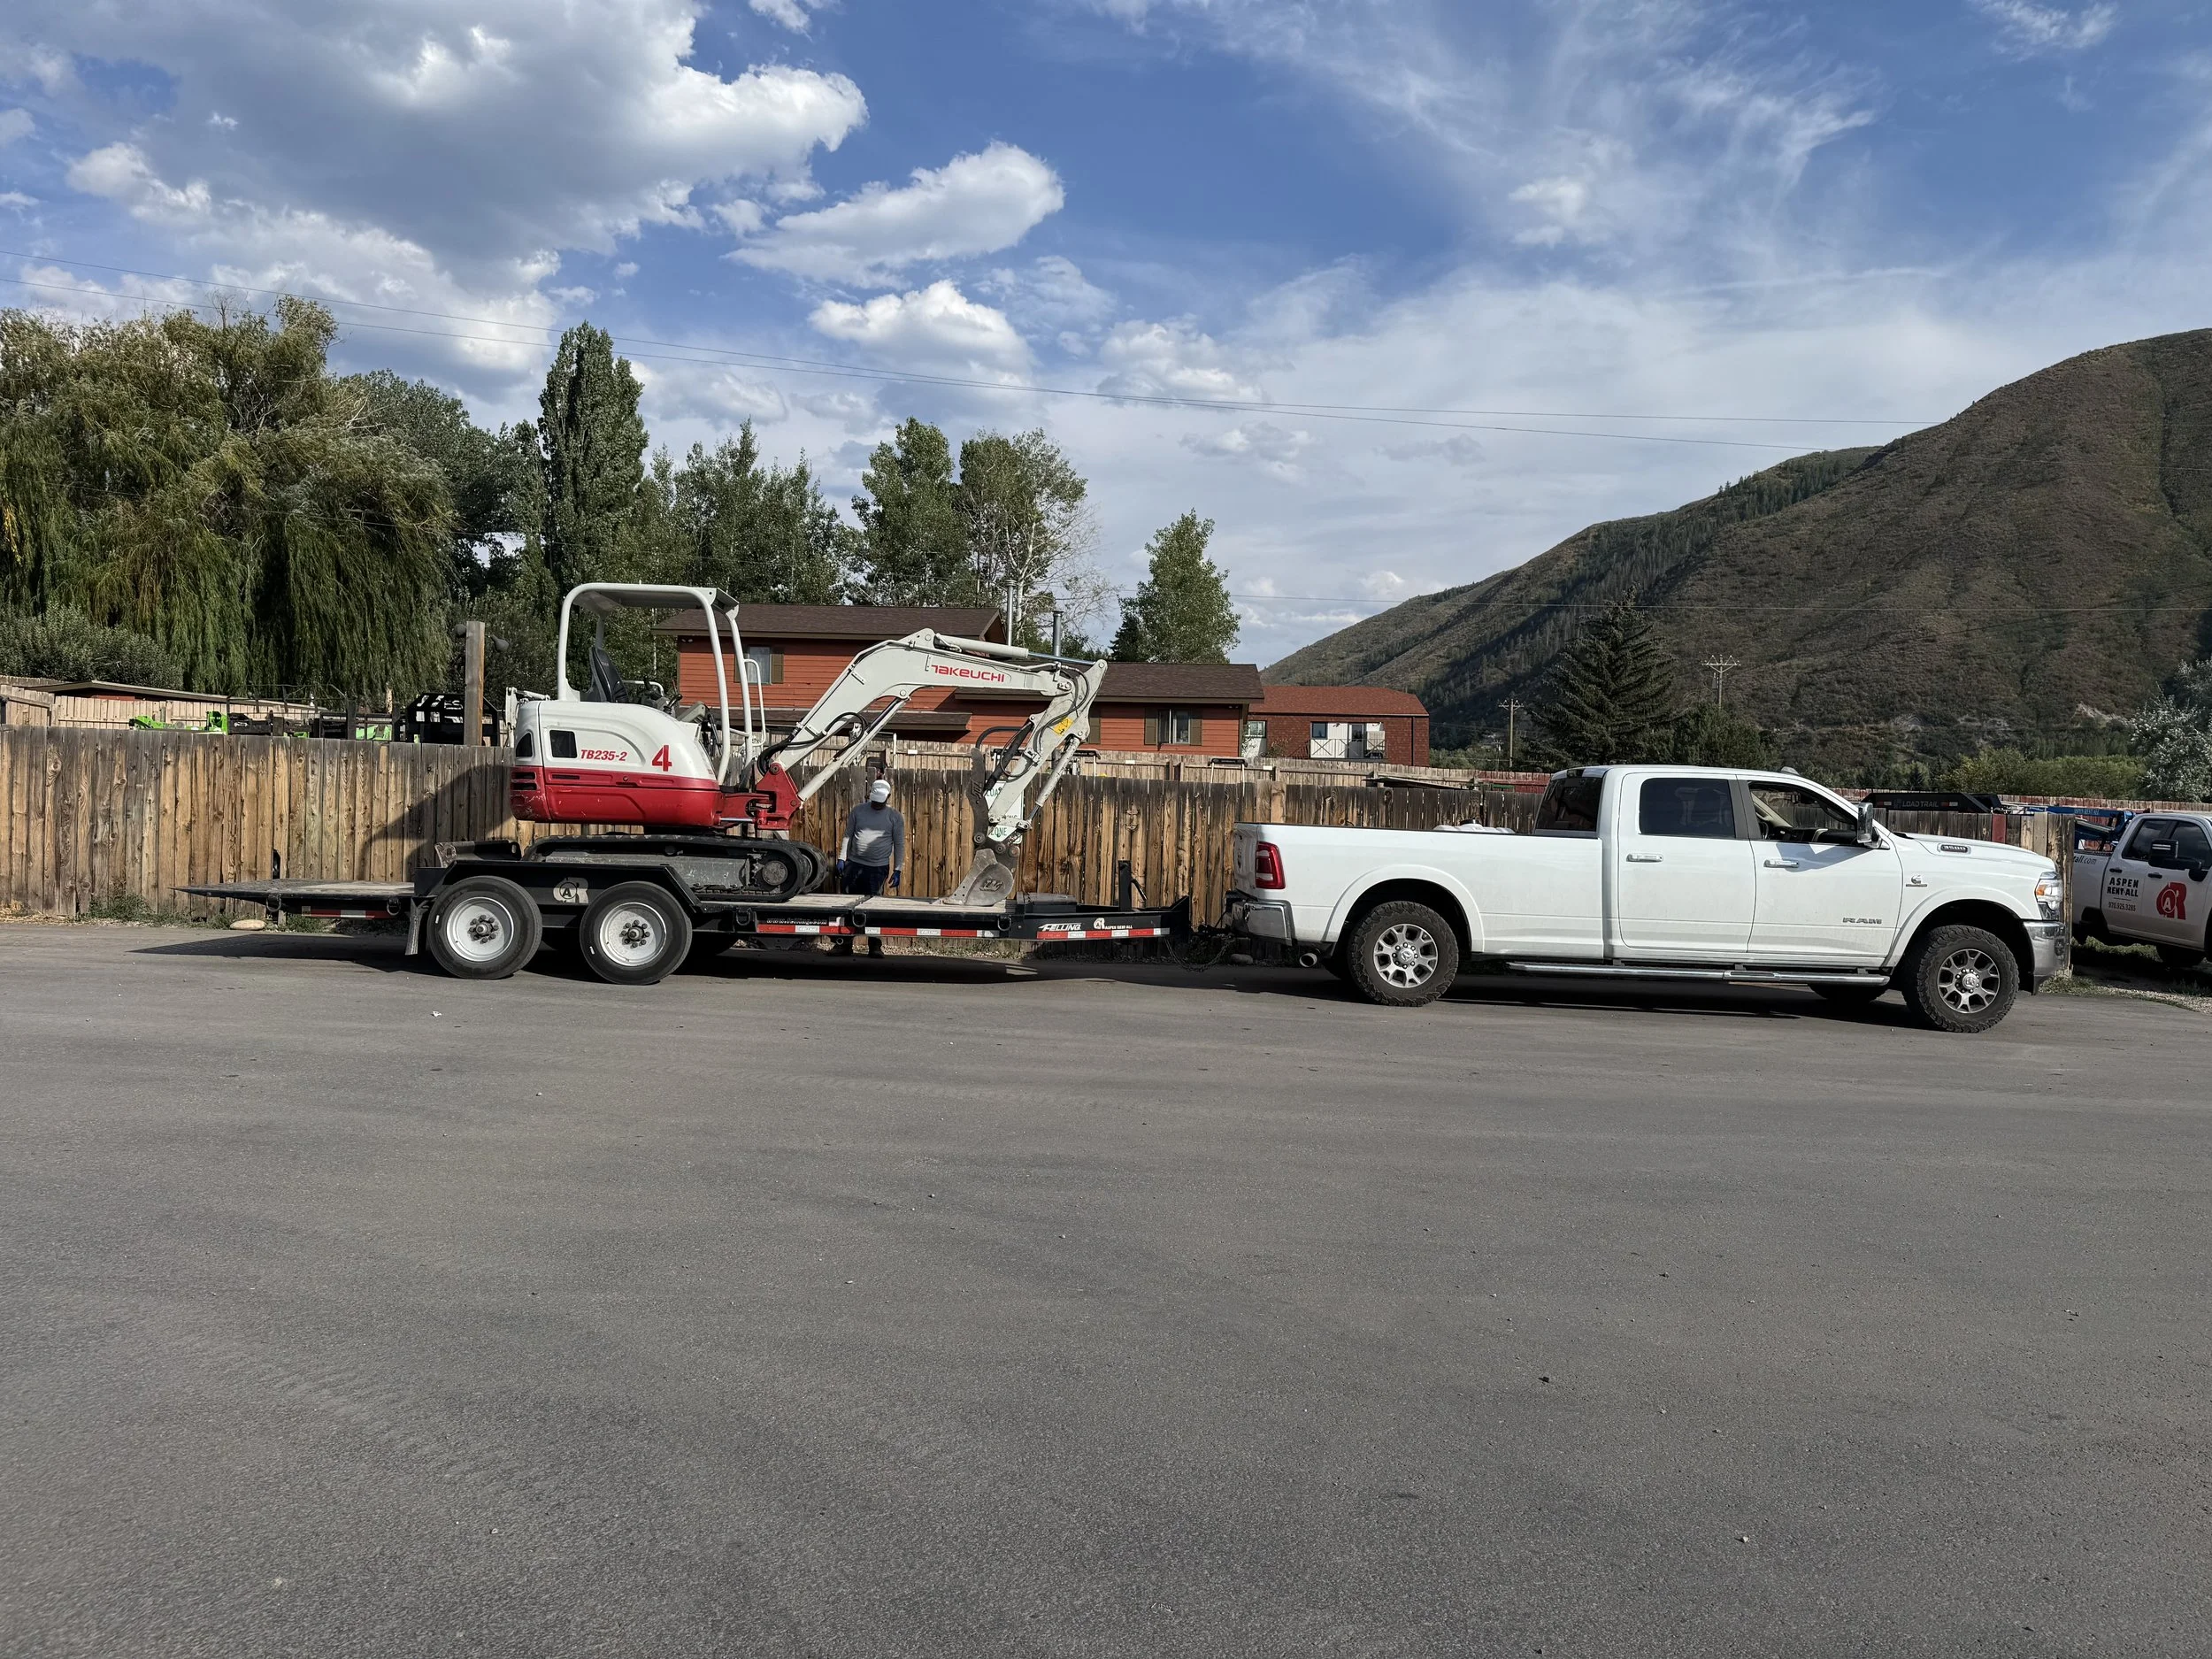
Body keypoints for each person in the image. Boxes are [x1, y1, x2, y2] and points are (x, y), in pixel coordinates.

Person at [833, 778, 905, 956]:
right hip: (854, 864)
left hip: (877, 868)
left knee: (874, 908)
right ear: (870, 795)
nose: (877, 805)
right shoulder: (858, 811)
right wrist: (842, 858)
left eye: (881, 801)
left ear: (888, 797)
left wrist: (898, 869)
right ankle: (843, 944)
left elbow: (899, 844)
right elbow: (848, 835)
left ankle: (875, 946)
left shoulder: (894, 816)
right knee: (846, 905)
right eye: (874, 801)